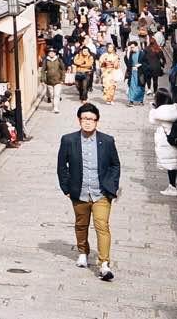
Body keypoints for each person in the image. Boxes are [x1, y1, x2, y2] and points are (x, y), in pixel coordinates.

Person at [56, 102, 121, 281]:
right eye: (84, 119)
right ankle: (83, 252)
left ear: (97, 121)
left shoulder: (107, 141)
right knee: (81, 224)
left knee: (102, 226)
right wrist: (66, 189)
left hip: (101, 193)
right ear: (79, 120)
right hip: (79, 192)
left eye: (91, 119)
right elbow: (62, 166)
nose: (87, 122)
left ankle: (104, 264)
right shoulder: (68, 140)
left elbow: (115, 165)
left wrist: (112, 186)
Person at [150, 90, 177, 196]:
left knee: (170, 165)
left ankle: (172, 188)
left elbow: (152, 120)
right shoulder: (176, 108)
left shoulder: (160, 111)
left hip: (167, 142)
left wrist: (153, 108)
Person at [41, 47, 65, 114]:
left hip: (58, 80)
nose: (51, 54)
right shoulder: (46, 61)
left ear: (55, 53)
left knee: (56, 94)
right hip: (49, 81)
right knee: (51, 95)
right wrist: (43, 79)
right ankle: (53, 106)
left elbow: (63, 69)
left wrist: (63, 79)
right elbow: (43, 70)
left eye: (53, 52)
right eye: (50, 52)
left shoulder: (59, 60)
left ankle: (56, 108)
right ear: (48, 53)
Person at [125, 41, 146, 106]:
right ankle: (131, 101)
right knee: (132, 86)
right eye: (131, 48)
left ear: (137, 46)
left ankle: (140, 100)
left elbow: (147, 63)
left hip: (140, 73)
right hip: (133, 72)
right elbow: (128, 62)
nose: (132, 49)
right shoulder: (131, 53)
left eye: (133, 47)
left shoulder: (142, 54)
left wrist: (141, 65)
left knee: (140, 87)